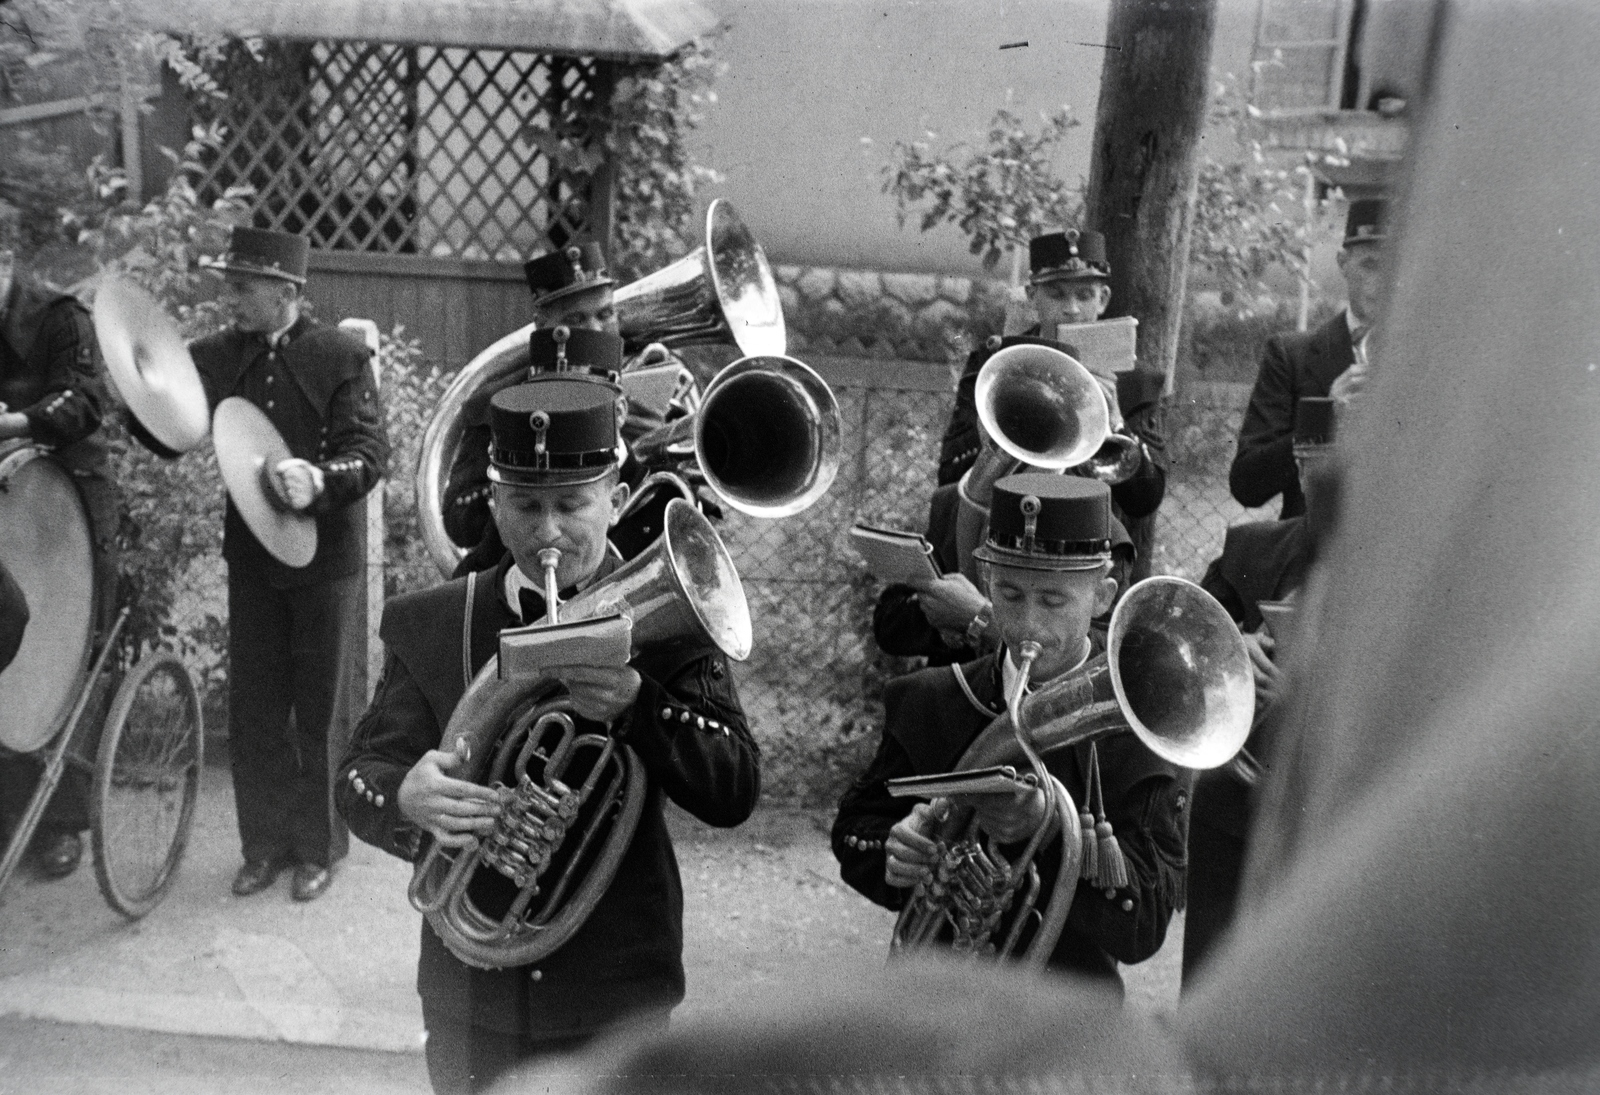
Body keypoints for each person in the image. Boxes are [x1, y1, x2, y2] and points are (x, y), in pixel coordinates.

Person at [336, 375, 759, 1094]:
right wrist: (406, 797)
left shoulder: (666, 621)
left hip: (615, 986)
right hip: (472, 992)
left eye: (572, 504)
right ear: (494, 504)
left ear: (618, 500)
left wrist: (640, 705)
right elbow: (359, 773)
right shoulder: (438, 618)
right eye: (526, 506)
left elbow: (734, 787)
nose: (548, 531)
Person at [834, 474, 1190, 987]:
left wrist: (1049, 831)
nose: (1027, 624)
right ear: (984, 580)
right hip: (928, 1005)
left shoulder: (1143, 731)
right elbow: (855, 831)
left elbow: (1143, 929)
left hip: (1065, 1027)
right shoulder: (933, 698)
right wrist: (897, 850)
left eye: (1053, 601)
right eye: (1009, 593)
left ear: (1103, 596)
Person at [188, 226, 389, 903]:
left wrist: (322, 480)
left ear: (286, 293)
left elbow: (368, 451)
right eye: (230, 284)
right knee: (256, 706)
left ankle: (317, 847)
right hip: (253, 558)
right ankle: (262, 847)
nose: (232, 298)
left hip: (325, 560)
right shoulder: (217, 357)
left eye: (243, 287)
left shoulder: (340, 356)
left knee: (320, 705)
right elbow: (170, 409)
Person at [1182, 397, 1339, 986]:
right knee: (1209, 995)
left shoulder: (1418, 573)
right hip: (1236, 819)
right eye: (1319, 473)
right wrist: (1230, 650)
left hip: (1345, 819)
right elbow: (1175, 660)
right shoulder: (1249, 550)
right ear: (1298, 470)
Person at [444, 242, 694, 577]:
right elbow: (462, 523)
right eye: (575, 318)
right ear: (543, 324)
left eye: (605, 314)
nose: (594, 329)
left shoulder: (660, 377)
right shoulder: (504, 406)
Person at [0, 231, 116, 882]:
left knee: (68, 652)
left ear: (6, 263)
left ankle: (64, 823)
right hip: (6, 498)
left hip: (69, 499)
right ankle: (10, 813)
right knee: (9, 658)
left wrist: (15, 422)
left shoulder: (60, 318)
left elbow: (84, 403)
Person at [935, 229, 1167, 550]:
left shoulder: (1135, 379)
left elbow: (1145, 501)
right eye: (1056, 295)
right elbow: (950, 472)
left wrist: (1115, 422)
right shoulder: (996, 362)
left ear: (1103, 300)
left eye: (1084, 296)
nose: (1071, 309)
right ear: (1032, 297)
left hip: (1086, 537)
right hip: (1001, 524)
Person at [870, 475, 1136, 668]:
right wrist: (941, 616)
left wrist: (979, 618)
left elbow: (1104, 655)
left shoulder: (1101, 530)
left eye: (1053, 600)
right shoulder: (951, 502)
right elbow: (889, 629)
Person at [1229, 198, 1387, 517]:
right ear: (1343, 263)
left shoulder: (1436, 360)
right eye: (1370, 265)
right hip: (1316, 554)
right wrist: (1324, 420)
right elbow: (1247, 485)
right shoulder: (1291, 357)